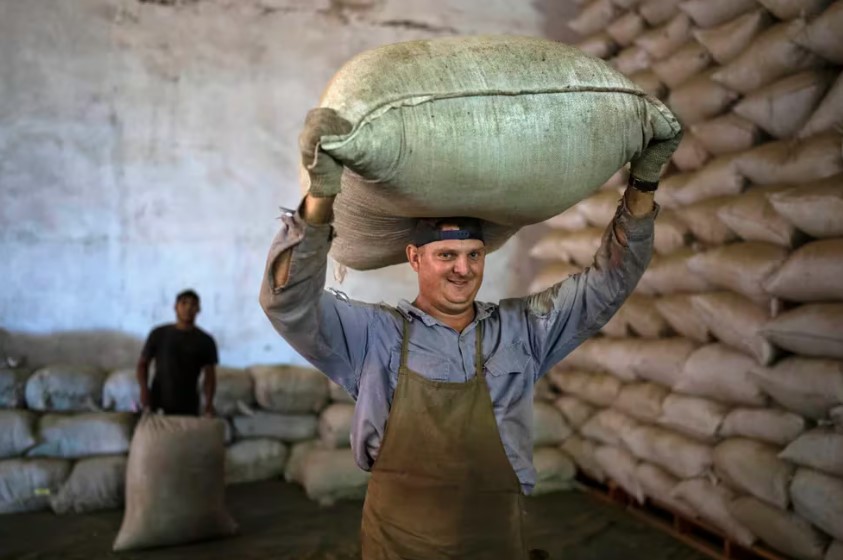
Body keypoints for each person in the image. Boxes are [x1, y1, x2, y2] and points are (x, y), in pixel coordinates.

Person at [260, 108, 679, 559]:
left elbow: (607, 285)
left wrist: (644, 183)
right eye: (446, 255)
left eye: (474, 255)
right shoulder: (373, 335)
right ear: (414, 258)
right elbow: (287, 301)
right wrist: (319, 200)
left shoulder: (522, 331)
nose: (463, 270)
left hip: (495, 543)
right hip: (399, 545)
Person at [137, 289, 218, 417]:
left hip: (189, 405)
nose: (188, 308)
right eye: (184, 303)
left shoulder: (206, 341)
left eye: (193, 304)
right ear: (175, 307)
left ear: (198, 309)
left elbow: (210, 377)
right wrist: (144, 390)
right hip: (158, 401)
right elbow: (143, 364)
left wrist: (208, 403)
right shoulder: (158, 334)